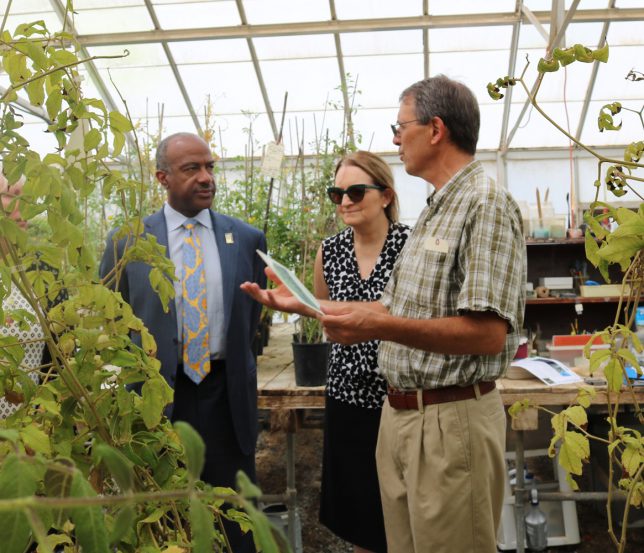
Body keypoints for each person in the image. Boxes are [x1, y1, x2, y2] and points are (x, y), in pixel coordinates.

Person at [241, 75, 526, 553]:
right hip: (404, 416)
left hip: (449, 417)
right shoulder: (439, 208)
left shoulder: (484, 203)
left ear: (435, 130)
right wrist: (307, 305)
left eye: (400, 128)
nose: (395, 140)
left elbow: (487, 335)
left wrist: (378, 327)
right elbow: (392, 306)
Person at [100, 132, 266, 552]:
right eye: (192, 169)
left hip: (226, 396)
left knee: (238, 520)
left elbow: (251, 321)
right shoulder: (128, 242)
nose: (206, 177)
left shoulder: (245, 238)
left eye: (209, 166)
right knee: (168, 518)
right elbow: (114, 318)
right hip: (158, 399)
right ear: (162, 177)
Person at [315, 151, 410, 553]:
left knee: (406, 518)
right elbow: (325, 316)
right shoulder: (330, 252)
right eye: (337, 194)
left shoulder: (412, 246)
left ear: (386, 195)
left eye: (355, 191)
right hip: (348, 401)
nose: (345, 202)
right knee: (361, 521)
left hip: (401, 402)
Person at [0, 175, 46, 419]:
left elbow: (58, 357)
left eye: (25, 197)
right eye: (10, 194)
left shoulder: (44, 270)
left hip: (31, 433)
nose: (22, 206)